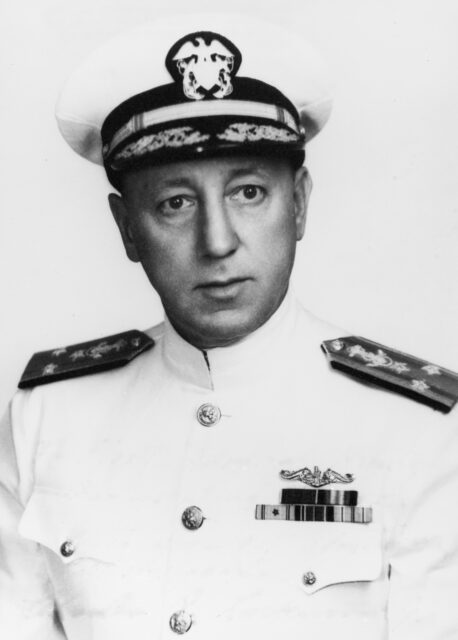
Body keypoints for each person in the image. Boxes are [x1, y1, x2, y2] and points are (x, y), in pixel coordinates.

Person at [1, 14, 458, 640]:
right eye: (175, 204)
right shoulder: (47, 414)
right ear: (127, 228)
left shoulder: (417, 429)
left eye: (248, 193)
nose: (217, 243)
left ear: (297, 204)